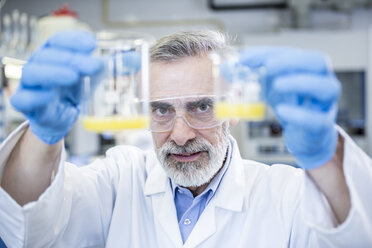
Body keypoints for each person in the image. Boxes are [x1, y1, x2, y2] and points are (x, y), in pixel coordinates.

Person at [0, 30, 371, 248]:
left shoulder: (285, 195)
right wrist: (42, 135)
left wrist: (325, 160)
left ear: (234, 107)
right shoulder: (119, 181)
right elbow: (30, 229)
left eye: (202, 106)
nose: (181, 134)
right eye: (162, 110)